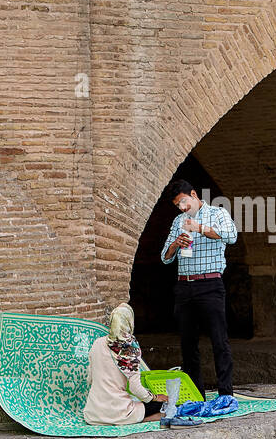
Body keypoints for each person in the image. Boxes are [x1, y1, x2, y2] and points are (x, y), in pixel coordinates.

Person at [160, 179, 238, 400]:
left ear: (194, 195)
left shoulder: (217, 213)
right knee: (188, 343)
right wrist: (176, 243)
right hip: (184, 286)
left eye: (184, 202)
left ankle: (226, 393)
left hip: (210, 284)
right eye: (178, 206)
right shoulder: (178, 221)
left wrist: (200, 228)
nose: (182, 208)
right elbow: (165, 258)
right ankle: (196, 394)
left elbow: (231, 236)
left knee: (218, 340)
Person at [83, 303, 167, 425]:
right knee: (167, 406)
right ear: (129, 322)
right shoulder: (130, 348)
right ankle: (138, 419)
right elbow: (135, 387)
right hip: (119, 412)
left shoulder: (97, 343)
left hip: (93, 414)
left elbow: (89, 378)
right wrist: (154, 397)